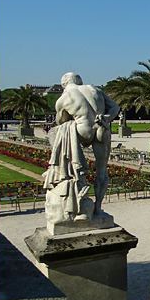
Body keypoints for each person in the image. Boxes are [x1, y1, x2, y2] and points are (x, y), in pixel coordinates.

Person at [45, 72, 120, 223]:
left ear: (64, 84)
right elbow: (115, 108)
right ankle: (98, 208)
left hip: (82, 131)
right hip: (101, 128)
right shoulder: (95, 89)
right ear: (80, 81)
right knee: (102, 171)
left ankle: (65, 173)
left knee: (59, 131)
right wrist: (106, 117)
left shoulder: (64, 98)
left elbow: (61, 121)